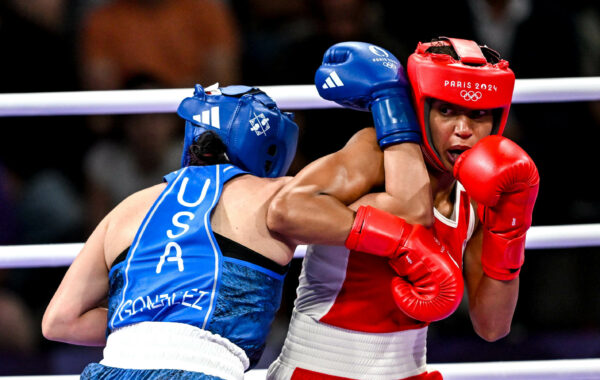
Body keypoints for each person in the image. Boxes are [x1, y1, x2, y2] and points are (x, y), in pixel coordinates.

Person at [266, 37, 539, 379]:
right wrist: (401, 239)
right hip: (320, 369)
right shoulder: (374, 153)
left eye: (479, 114)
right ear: (420, 108)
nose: (463, 130)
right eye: (446, 111)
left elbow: (492, 326)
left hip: (411, 372)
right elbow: (285, 209)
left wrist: (511, 225)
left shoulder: (480, 192)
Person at [42, 84, 299, 379]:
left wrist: (149, 315)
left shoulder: (128, 207)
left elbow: (59, 322)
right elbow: (356, 204)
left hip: (112, 369)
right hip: (204, 370)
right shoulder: (278, 198)